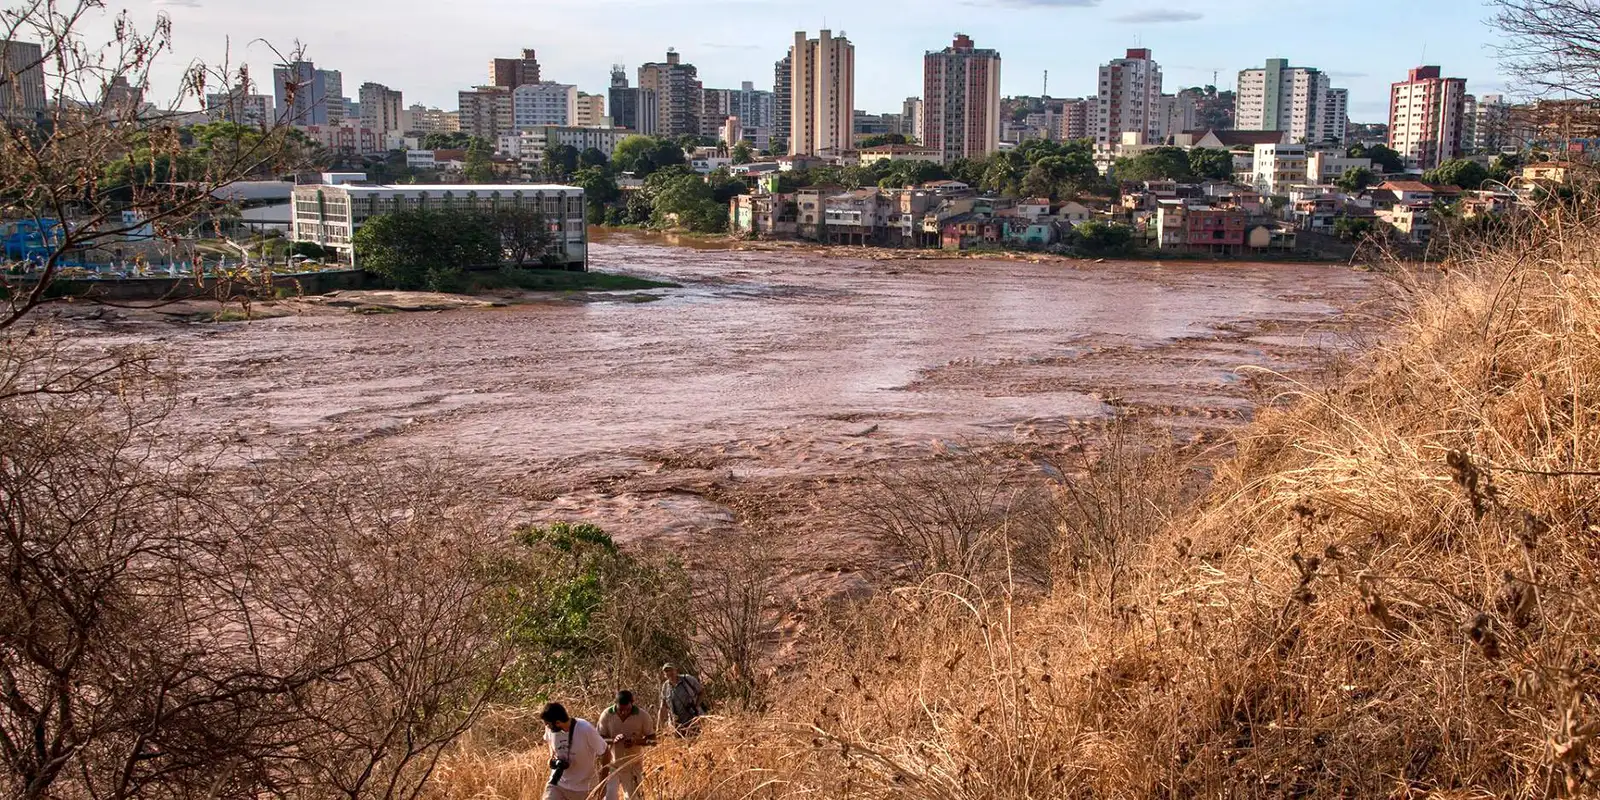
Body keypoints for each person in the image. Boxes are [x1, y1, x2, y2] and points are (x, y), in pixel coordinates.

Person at [540, 702, 608, 800]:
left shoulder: (585, 729)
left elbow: (605, 752)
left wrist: (602, 785)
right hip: (558, 784)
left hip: (583, 788)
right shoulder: (550, 729)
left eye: (547, 724)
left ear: (558, 723)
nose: (546, 726)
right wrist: (552, 757)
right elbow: (549, 741)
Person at [597, 690, 655, 800]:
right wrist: (613, 740)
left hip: (633, 765)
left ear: (632, 704)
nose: (624, 713)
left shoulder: (642, 716)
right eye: (620, 710)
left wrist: (635, 741)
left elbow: (652, 739)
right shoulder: (607, 714)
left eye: (627, 710)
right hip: (612, 764)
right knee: (609, 797)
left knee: (633, 797)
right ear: (615, 705)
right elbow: (599, 738)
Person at [657, 663, 706, 736]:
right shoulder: (665, 687)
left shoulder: (688, 679)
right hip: (677, 727)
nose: (669, 673)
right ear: (664, 674)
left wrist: (696, 705)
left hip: (695, 721)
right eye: (666, 671)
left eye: (671, 670)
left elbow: (702, 692)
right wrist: (658, 728)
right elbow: (663, 707)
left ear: (676, 670)